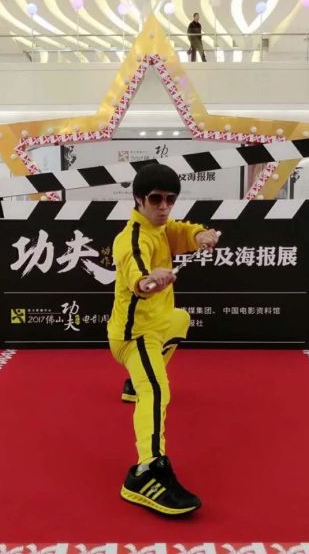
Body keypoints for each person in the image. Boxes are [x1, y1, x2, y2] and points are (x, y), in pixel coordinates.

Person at [107, 163, 219, 516]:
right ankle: (146, 471)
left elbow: (181, 231)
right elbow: (136, 272)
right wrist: (148, 280)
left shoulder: (161, 227)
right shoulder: (131, 238)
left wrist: (200, 235)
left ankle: (134, 381)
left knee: (181, 318)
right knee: (157, 392)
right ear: (139, 200)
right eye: (156, 199)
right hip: (135, 336)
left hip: (159, 325)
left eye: (170, 199)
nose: (164, 206)